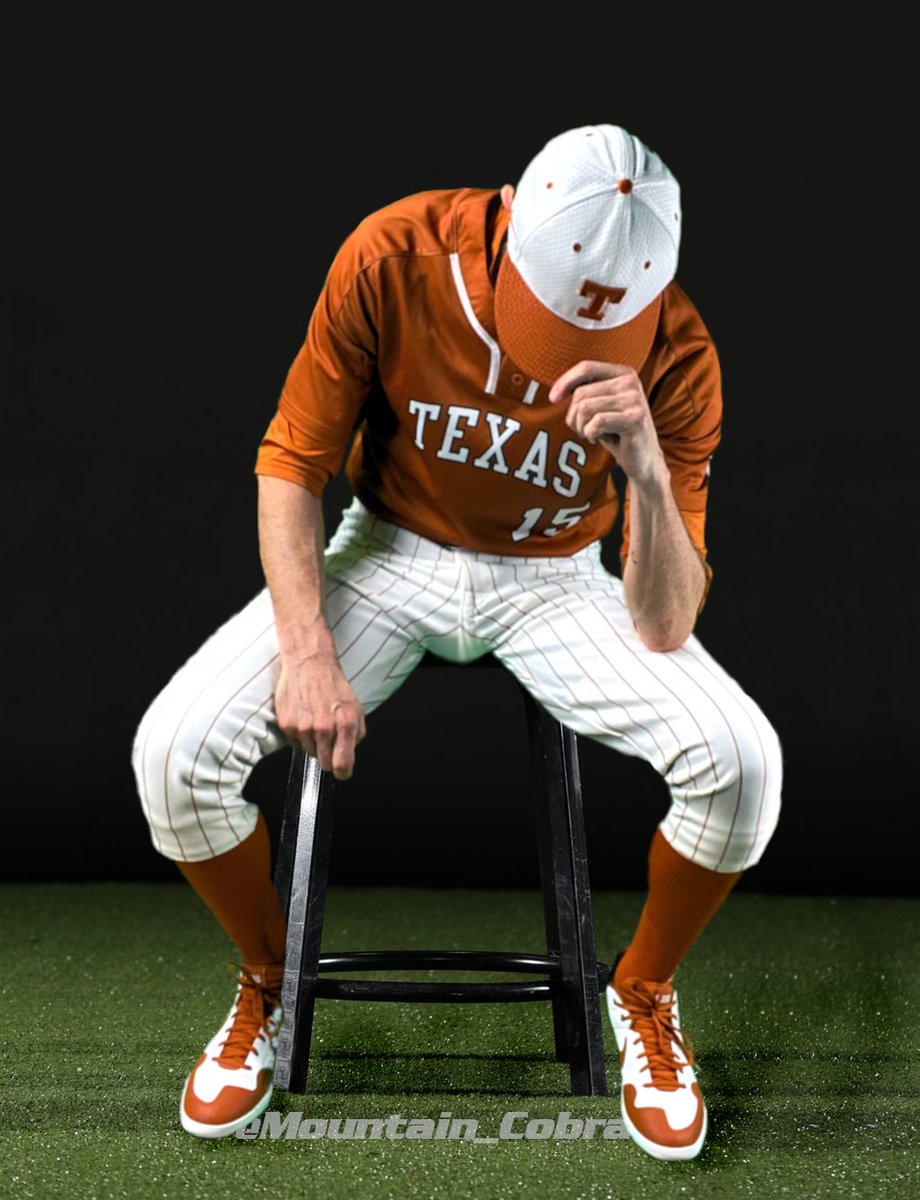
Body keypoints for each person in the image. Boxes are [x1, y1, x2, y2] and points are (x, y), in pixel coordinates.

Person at [131, 123, 782, 1160]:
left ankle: (643, 991)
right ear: (508, 224)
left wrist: (649, 472)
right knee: (171, 756)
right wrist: (307, 652)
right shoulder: (395, 256)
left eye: (596, 330)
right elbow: (291, 461)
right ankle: (269, 975)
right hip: (391, 549)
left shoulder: (675, 353)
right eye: (548, 321)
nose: (559, 354)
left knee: (745, 765)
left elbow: (662, 621)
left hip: (556, 579)